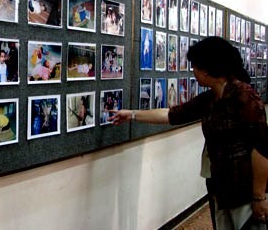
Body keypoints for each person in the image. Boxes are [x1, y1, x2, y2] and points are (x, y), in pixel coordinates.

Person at [108, 37, 268, 229]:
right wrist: (132, 114)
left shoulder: (245, 97)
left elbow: (261, 148)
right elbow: (172, 114)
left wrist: (259, 196)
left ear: (208, 69)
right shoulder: (211, 98)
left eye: (195, 66)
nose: (192, 71)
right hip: (222, 187)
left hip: (244, 192)